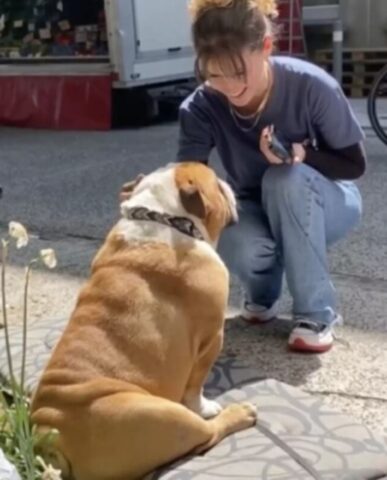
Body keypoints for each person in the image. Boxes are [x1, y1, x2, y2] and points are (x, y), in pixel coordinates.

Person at [177, 0, 366, 353]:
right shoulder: (200, 107)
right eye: (214, 74)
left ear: (265, 48)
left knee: (284, 180)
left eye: (238, 73)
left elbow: (354, 165)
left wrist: (302, 155)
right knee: (229, 229)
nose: (229, 88)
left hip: (326, 200)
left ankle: (316, 312)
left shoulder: (311, 85)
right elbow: (190, 183)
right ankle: (262, 296)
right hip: (253, 204)